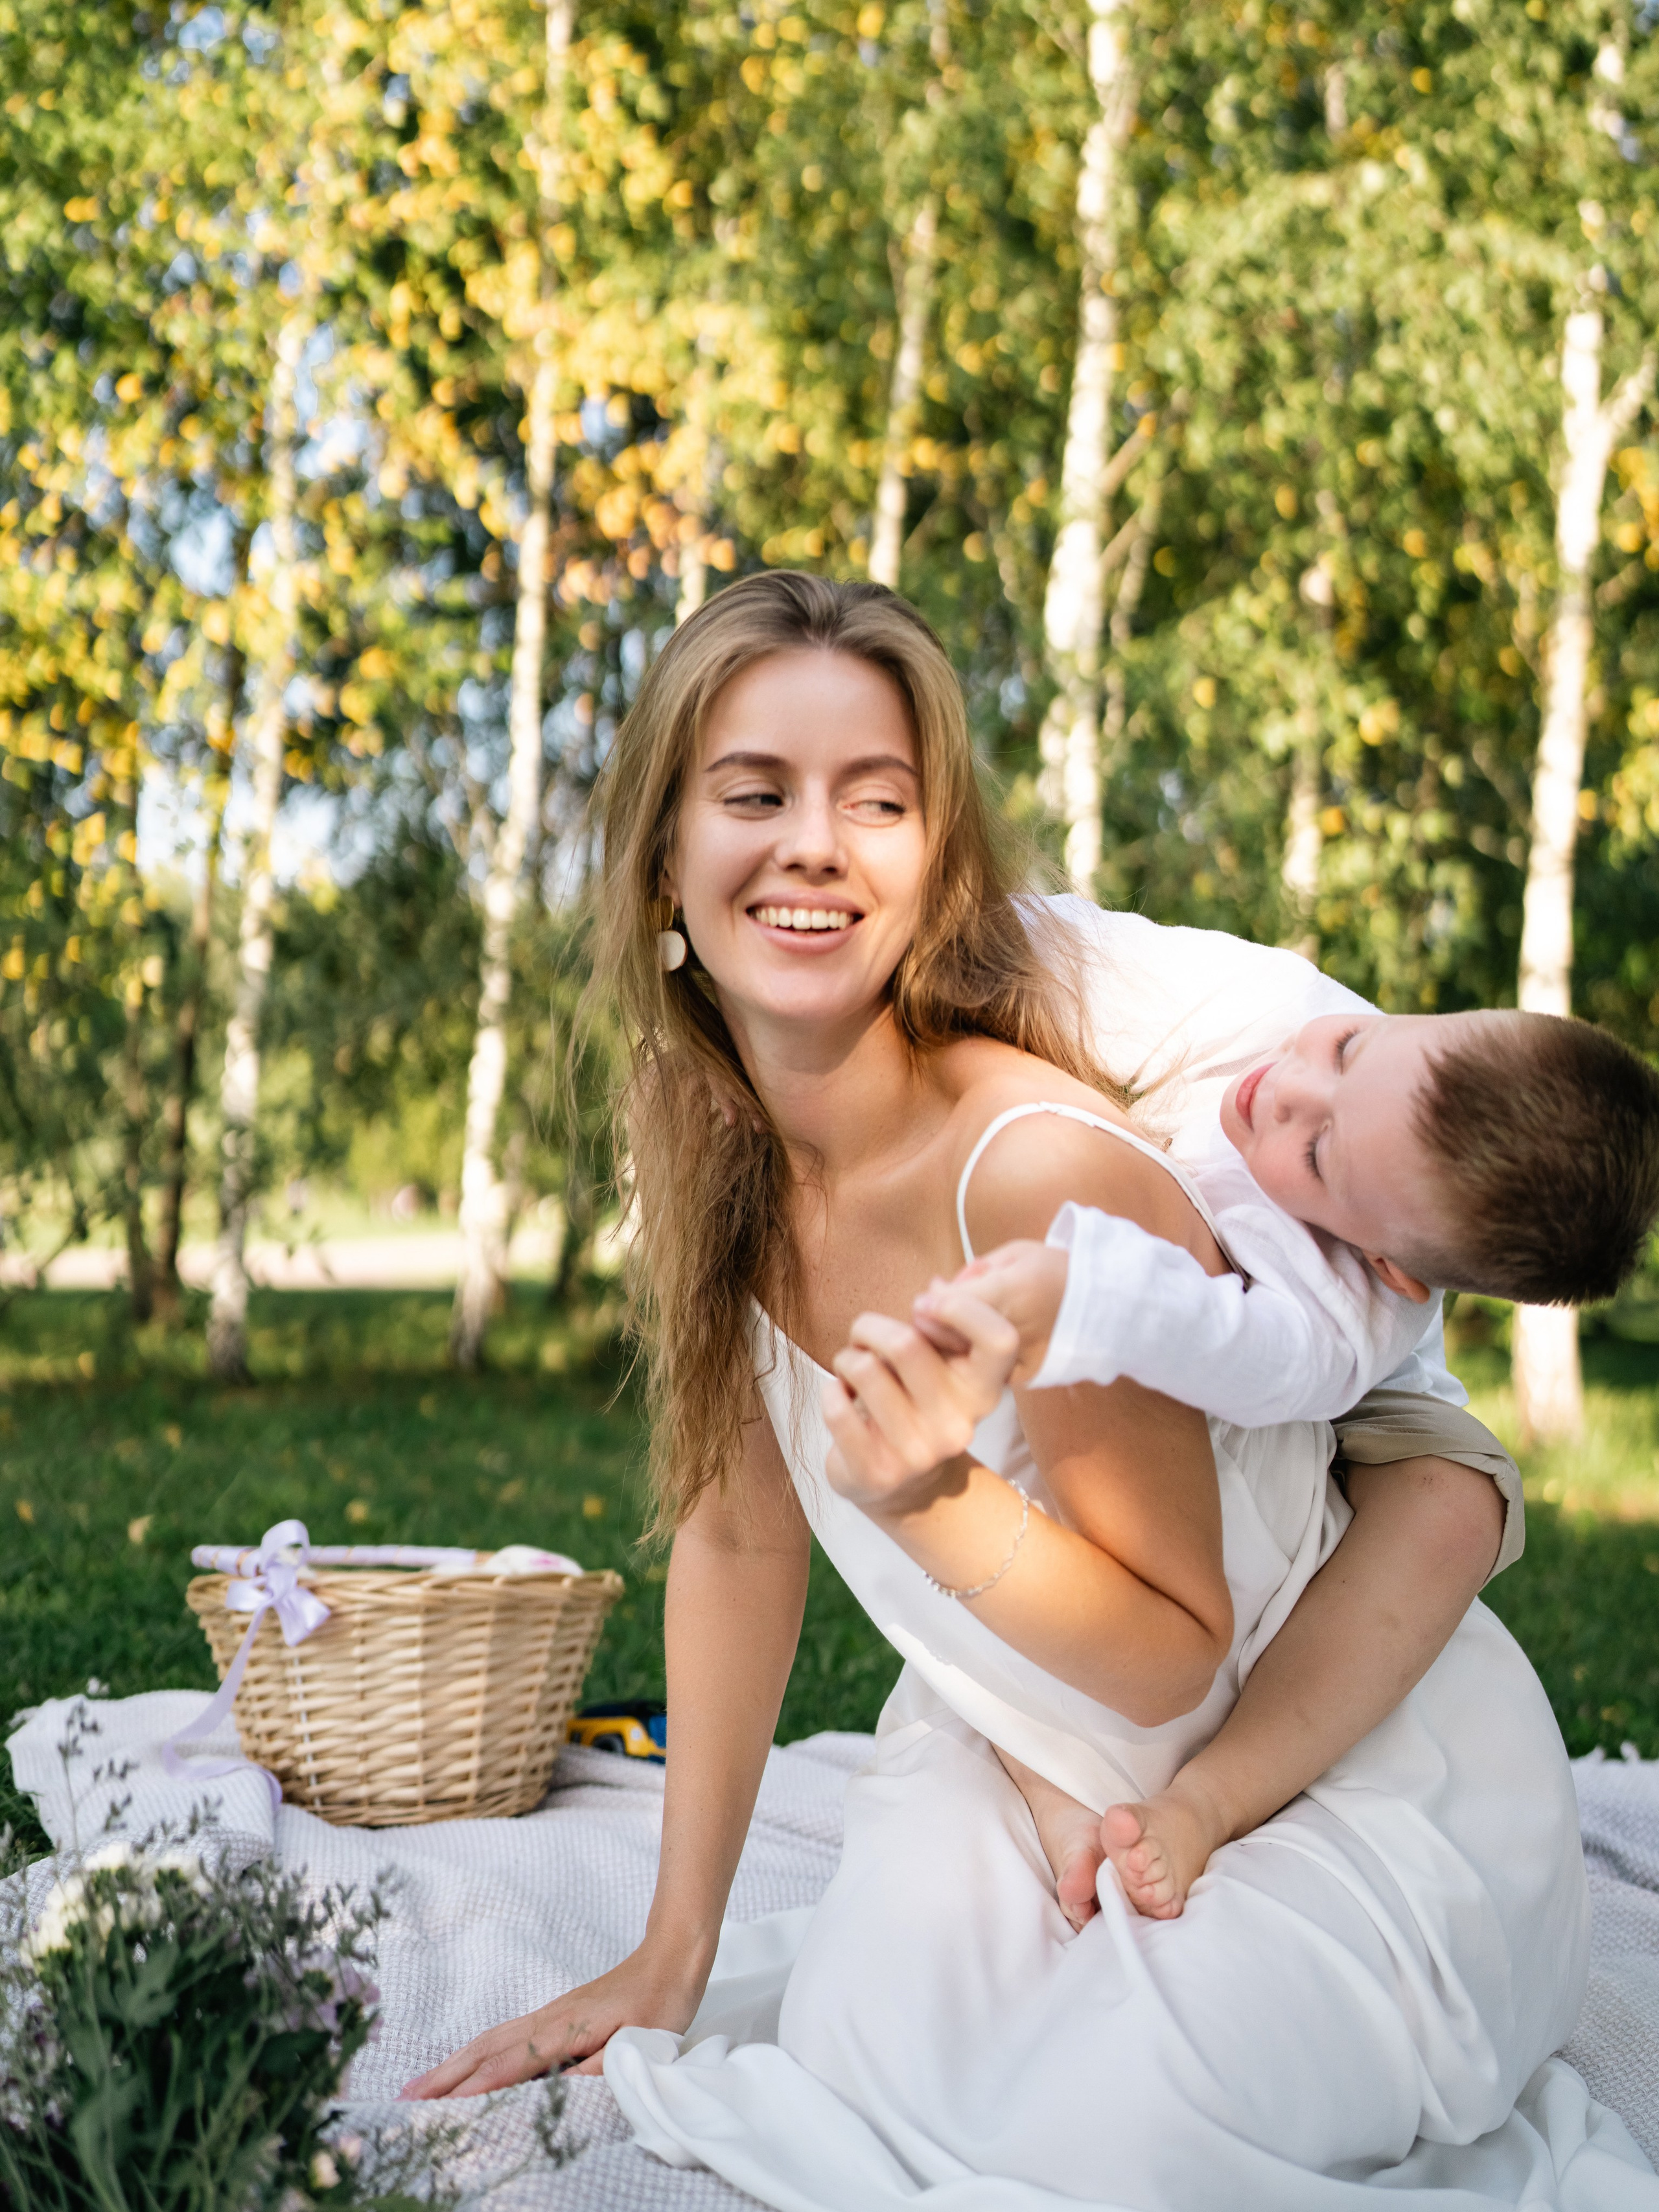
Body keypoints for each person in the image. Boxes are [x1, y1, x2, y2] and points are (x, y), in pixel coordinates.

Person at [404, 573, 1653, 2209]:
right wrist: (670, 1952)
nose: (811, 844)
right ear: (662, 858)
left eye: (877, 800)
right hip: (1025, 1717)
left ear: (937, 864)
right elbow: (732, 1540)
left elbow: (1177, 1652)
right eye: (754, 793)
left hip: (1333, 1768)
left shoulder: (1042, 1174)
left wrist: (937, 1504)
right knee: (873, 2047)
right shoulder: (697, 1128)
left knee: (1112, 2141)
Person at [903, 999, 1659, 1919]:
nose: (1289, 1088)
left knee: (1456, 1507)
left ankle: (1211, 1796)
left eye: (1319, 1153)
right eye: (1347, 1045)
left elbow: (1237, 1348)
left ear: (1394, 1268)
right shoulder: (1288, 1007)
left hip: (1315, 1365)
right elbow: (1101, 964)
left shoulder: (1343, 1324)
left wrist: (1085, 1286)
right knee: (1047, 1462)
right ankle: (1047, 1776)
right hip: (1212, 1261)